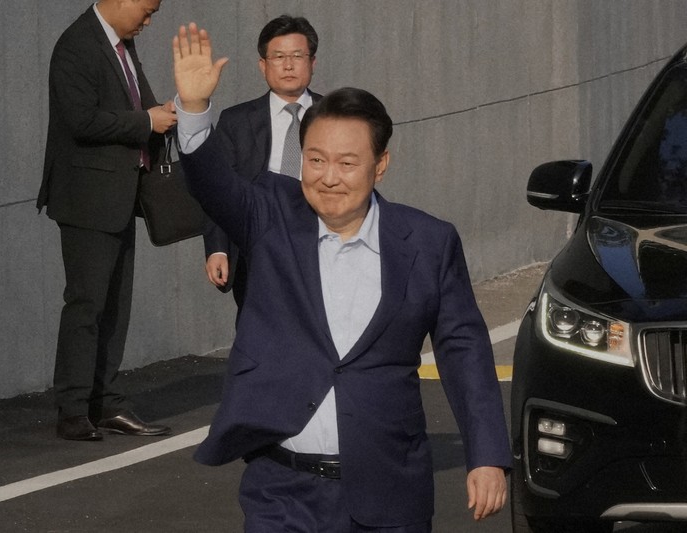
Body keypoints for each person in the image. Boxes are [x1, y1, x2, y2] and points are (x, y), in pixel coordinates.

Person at [172, 23, 512, 532]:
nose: (328, 177)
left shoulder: (427, 242)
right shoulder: (271, 217)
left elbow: (464, 351)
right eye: (316, 160)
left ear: (380, 165)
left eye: (347, 163)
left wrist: (486, 455)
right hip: (282, 491)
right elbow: (213, 184)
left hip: (389, 492)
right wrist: (194, 109)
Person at [36, 0, 175, 441]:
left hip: (118, 196)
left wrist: (167, 113)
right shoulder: (77, 44)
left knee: (115, 306)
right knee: (87, 305)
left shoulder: (121, 44)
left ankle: (106, 402)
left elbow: (139, 105)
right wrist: (146, 121)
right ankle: (74, 410)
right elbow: (81, 120)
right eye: (147, 10)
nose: (148, 21)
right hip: (86, 199)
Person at [203, 15, 323, 309]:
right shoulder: (236, 121)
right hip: (259, 243)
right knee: (258, 325)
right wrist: (217, 249)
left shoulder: (336, 115)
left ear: (313, 62)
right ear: (262, 65)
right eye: (279, 57)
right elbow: (217, 189)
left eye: (297, 56)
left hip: (321, 238)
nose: (288, 65)